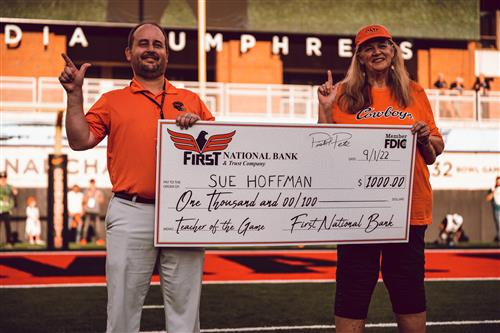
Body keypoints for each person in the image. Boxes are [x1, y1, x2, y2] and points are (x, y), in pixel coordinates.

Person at [58, 22, 214, 333]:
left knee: (185, 309)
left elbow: (216, 154)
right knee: (122, 309)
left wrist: (199, 129)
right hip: (131, 210)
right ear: (129, 53)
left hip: (184, 212)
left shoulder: (192, 100)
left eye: (158, 44)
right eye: (143, 43)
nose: (151, 49)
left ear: (166, 54)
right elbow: (79, 140)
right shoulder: (112, 100)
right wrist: (74, 95)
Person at [318, 24, 444, 333]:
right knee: (353, 292)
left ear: (393, 51)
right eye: (369, 47)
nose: (377, 51)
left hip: (407, 211)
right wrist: (324, 109)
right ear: (359, 57)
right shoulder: (343, 94)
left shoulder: (414, 92)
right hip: (356, 211)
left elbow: (435, 150)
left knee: (408, 291)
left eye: (383, 45)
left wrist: (425, 138)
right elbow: (322, 151)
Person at [82, 179, 104, 245]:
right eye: (91, 184)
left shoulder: (99, 192)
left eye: (93, 184)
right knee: (86, 226)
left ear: (95, 184)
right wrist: (84, 208)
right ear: (90, 184)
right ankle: (84, 239)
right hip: (88, 211)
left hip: (96, 211)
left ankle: (99, 240)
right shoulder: (87, 192)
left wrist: (98, 198)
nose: (92, 185)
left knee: (97, 227)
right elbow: (83, 201)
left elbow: (102, 201)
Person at [0, 171, 18, 247]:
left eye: (4, 178)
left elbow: (15, 192)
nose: (3, 179)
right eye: (1, 178)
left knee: (8, 226)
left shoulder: (9, 186)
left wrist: (15, 192)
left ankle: (9, 241)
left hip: (6, 209)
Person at [485, 176, 500, 242]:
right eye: (497, 181)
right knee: (499, 224)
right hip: (497, 209)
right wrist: (494, 191)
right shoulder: (493, 189)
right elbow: (487, 198)